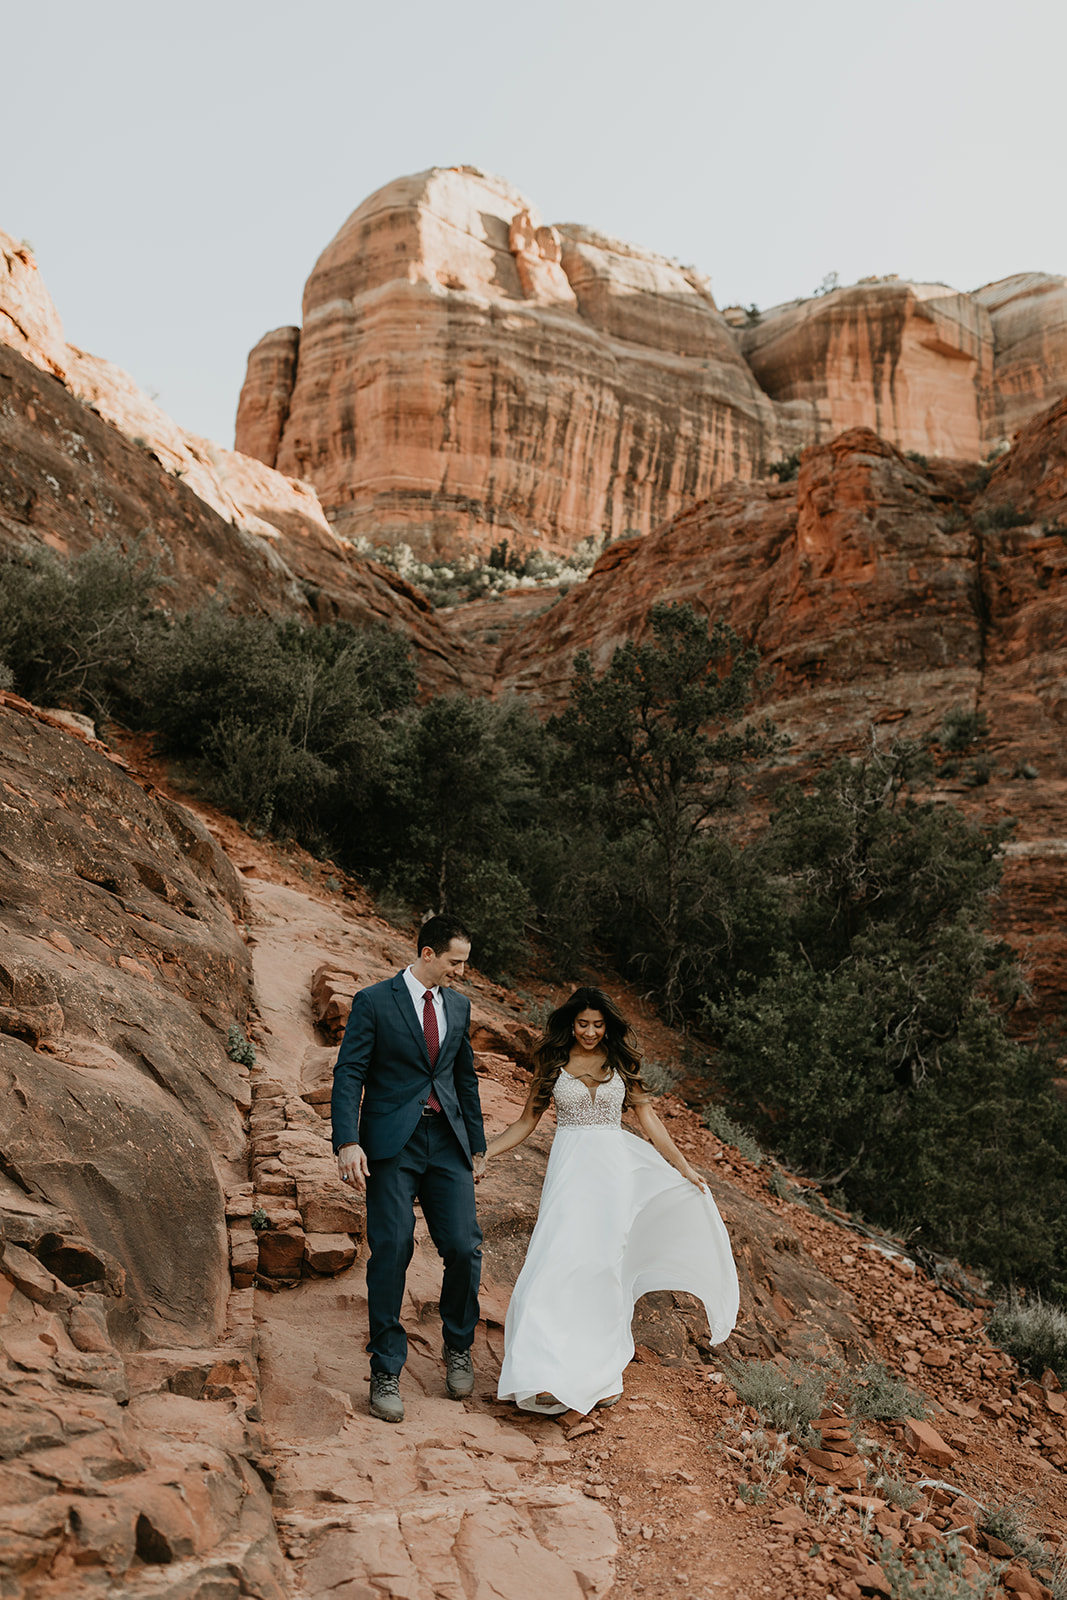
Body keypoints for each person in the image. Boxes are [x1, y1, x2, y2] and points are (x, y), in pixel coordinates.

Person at [485, 986, 738, 1416]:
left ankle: (599, 1375)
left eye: (598, 1025)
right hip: (568, 1174)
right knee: (554, 1261)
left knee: (604, 1267)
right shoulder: (553, 1062)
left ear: (608, 1026)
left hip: (612, 1177)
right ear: (571, 1022)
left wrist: (684, 1167)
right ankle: (541, 1372)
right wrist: (486, 1151)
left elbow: (649, 1119)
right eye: (582, 1024)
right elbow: (527, 1119)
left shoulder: (620, 1061)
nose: (589, 1032)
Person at [333, 914, 486, 1423]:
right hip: (390, 1146)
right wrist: (348, 1140)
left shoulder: (459, 1007)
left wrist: (477, 1147)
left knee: (464, 1247)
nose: (461, 972)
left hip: (446, 1143)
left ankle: (458, 1347)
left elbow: (464, 1080)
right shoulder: (374, 1001)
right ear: (427, 953)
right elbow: (350, 1071)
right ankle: (385, 1369)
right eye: (454, 962)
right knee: (393, 1248)